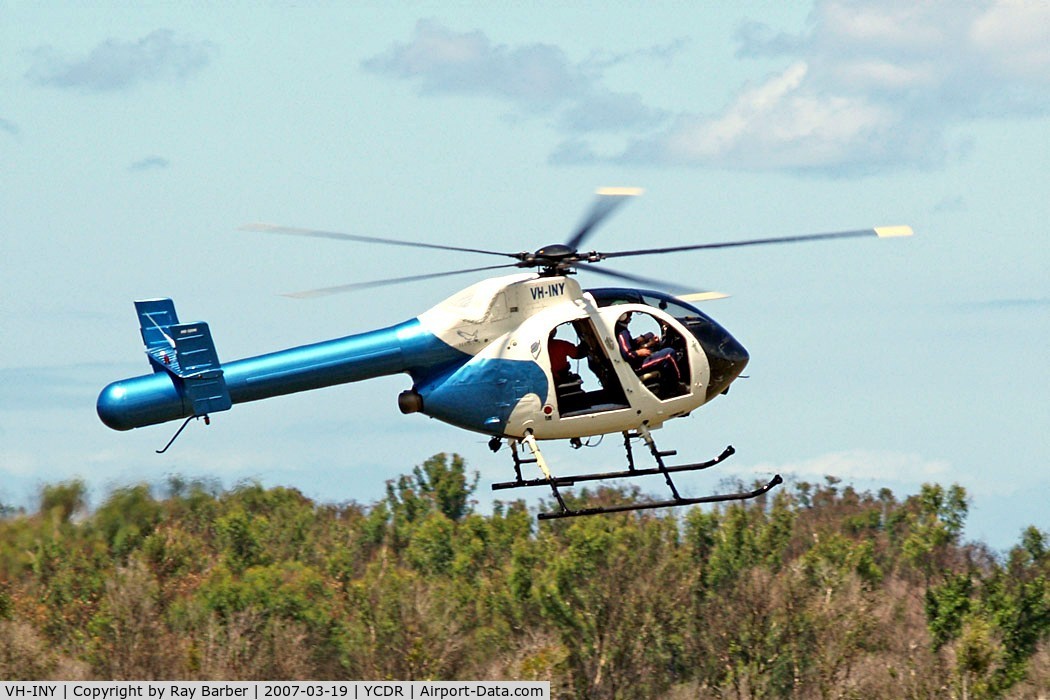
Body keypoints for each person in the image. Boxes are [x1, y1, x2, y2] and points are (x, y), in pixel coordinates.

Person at [615, 312, 681, 383]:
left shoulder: (621, 330)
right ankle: (676, 384)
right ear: (623, 316)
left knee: (650, 336)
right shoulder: (622, 332)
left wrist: (650, 343)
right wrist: (639, 352)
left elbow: (631, 345)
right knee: (669, 353)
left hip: (636, 362)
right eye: (629, 315)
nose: (631, 317)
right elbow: (627, 354)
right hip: (636, 366)